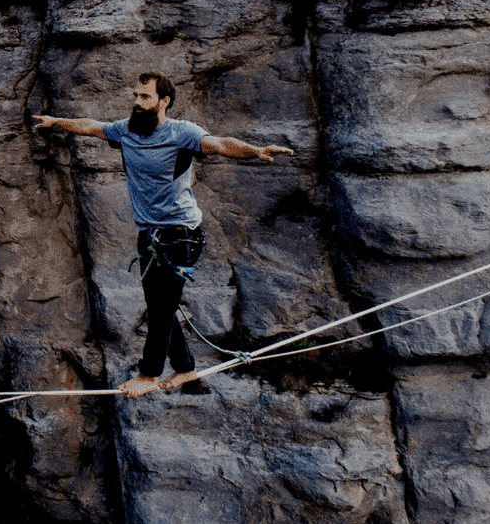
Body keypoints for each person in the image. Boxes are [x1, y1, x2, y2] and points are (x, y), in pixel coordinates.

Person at [32, 72, 295, 398]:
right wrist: (56, 121)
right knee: (160, 306)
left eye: (145, 97)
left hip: (181, 237)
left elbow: (219, 144)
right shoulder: (125, 131)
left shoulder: (181, 133)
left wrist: (255, 151)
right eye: (136, 95)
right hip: (150, 237)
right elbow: (91, 126)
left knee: (159, 309)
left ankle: (149, 374)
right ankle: (185, 369)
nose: (137, 102)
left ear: (164, 101)